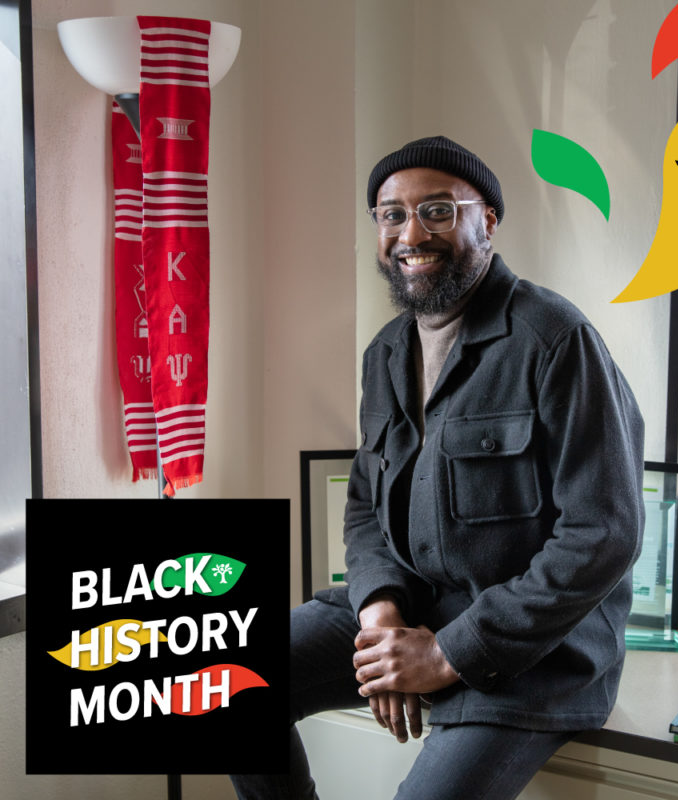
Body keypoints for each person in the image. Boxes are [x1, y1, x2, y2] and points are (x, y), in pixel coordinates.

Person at [232, 135, 645, 799]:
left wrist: (446, 653)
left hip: (530, 651)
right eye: (391, 215)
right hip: (416, 607)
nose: (410, 233)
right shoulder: (386, 354)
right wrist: (380, 614)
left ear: (488, 220)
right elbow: (366, 504)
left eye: (437, 210)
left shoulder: (556, 341)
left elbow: (604, 534)